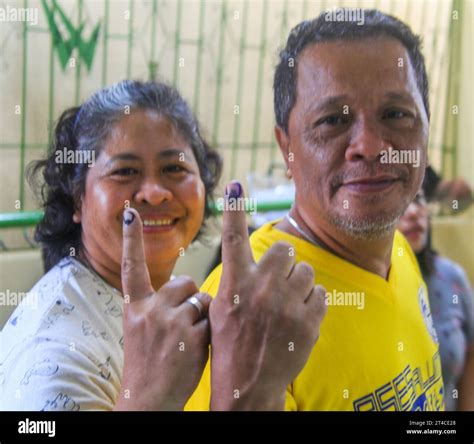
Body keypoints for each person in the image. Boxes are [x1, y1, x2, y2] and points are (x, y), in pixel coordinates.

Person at [0, 80, 327, 410]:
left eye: (174, 168)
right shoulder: (54, 361)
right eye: (125, 171)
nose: (154, 193)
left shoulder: (170, 299)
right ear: (77, 199)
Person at [186, 9, 445, 411]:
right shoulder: (243, 305)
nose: (370, 145)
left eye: (396, 114)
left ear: (428, 129)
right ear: (286, 147)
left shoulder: (399, 251)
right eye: (331, 121)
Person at [397, 191, 474, 411]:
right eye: (401, 204)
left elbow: (470, 354)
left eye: (419, 200)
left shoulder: (451, 277)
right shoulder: (369, 286)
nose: (413, 213)